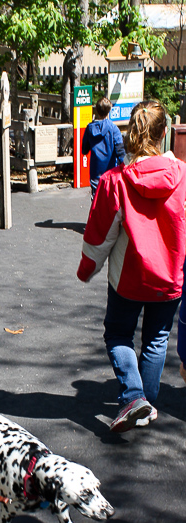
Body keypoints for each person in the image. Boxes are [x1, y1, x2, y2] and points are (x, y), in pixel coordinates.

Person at [77, 100, 186, 433]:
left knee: (119, 334)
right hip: (170, 276)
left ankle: (135, 397)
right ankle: (144, 402)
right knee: (156, 339)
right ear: (164, 133)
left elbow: (101, 233)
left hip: (129, 277)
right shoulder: (182, 176)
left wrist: (87, 267)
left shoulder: (116, 181)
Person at [82, 97, 126, 199]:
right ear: (109, 111)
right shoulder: (114, 129)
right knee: (110, 201)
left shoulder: (89, 128)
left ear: (97, 110)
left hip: (95, 172)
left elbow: (84, 150)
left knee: (96, 201)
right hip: (111, 172)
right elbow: (120, 151)